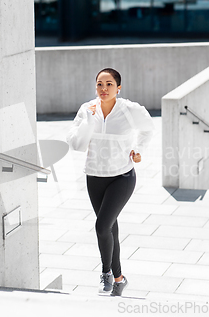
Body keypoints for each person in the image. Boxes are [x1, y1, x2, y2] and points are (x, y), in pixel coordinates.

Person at [66, 68, 155, 297]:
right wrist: (88, 121)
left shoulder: (129, 110)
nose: (103, 89)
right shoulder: (87, 110)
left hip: (121, 177)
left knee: (102, 226)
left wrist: (139, 150)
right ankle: (119, 279)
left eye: (108, 84)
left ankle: (105, 273)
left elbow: (148, 129)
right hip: (94, 176)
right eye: (99, 84)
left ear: (118, 87)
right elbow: (76, 144)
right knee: (110, 228)